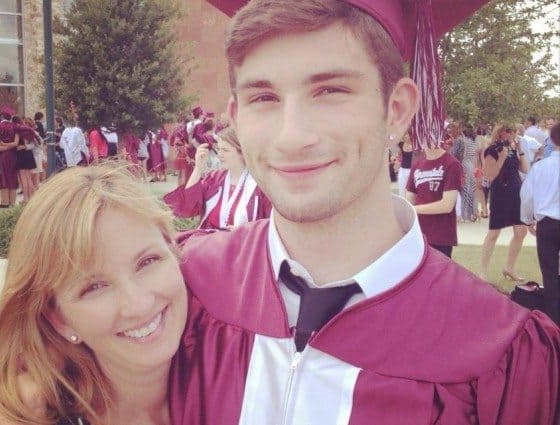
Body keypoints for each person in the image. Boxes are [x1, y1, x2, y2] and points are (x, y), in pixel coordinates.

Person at [170, 1, 559, 424]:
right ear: (236, 118)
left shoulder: (501, 351)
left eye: (330, 90)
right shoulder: (186, 287)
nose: (292, 136)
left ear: (396, 110)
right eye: (263, 97)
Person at [0, 163, 187, 424]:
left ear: (173, 250)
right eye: (94, 287)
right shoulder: (27, 415)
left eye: (147, 261)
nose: (137, 305)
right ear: (58, 318)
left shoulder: (234, 355)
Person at [164, 127, 271, 229]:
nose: (219, 154)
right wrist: (198, 168)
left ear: (242, 152)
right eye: (218, 149)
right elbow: (188, 206)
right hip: (210, 241)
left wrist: (245, 231)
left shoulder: (259, 185)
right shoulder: (214, 179)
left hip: (244, 244)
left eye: (225, 150)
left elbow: (272, 224)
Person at [479, 123, 530, 282]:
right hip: (500, 194)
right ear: (500, 133)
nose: (512, 134)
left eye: (514, 131)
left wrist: (520, 150)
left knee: (521, 232)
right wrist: (501, 157)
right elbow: (488, 176)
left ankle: (509, 267)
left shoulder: (514, 149)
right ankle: (483, 271)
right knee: (494, 233)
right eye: (508, 131)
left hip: (516, 192)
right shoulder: (492, 150)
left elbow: (525, 169)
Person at [520, 122, 560, 326]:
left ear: (551, 140)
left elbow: (527, 195)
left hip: (547, 224)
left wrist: (527, 219)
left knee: (550, 273)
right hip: (549, 221)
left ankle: (554, 321)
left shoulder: (540, 167)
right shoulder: (541, 166)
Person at [406, 142, 462, 257]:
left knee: (440, 274)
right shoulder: (417, 165)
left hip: (440, 236)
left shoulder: (452, 164)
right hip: (418, 236)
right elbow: (409, 199)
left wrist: (413, 209)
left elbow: (447, 205)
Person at [14, 116, 38, 203]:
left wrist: (22, 146)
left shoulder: (17, 132)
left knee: (23, 178)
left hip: (21, 155)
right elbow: (34, 144)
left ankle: (26, 198)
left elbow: (16, 144)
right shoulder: (29, 131)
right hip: (29, 155)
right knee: (28, 178)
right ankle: (32, 197)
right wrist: (26, 146)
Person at [395, 134, 412, 198]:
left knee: (410, 190)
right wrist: (397, 161)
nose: (406, 136)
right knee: (401, 188)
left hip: (412, 169)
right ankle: (402, 203)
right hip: (402, 170)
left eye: (408, 135)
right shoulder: (401, 144)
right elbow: (399, 155)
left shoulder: (415, 145)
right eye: (405, 135)